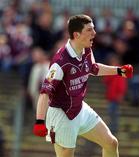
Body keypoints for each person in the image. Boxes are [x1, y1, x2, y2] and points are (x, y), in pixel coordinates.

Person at [33, 14, 133, 157]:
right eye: (89, 30)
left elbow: (93, 68)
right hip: (62, 115)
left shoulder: (86, 50)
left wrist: (118, 71)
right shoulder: (61, 62)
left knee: (111, 143)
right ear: (76, 34)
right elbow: (45, 92)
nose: (94, 33)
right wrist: (39, 121)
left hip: (79, 108)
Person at [103, 53, 128, 134]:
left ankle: (114, 129)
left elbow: (122, 83)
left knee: (114, 113)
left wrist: (121, 94)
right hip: (111, 96)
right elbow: (106, 81)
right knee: (111, 113)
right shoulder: (110, 70)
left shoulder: (120, 70)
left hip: (116, 96)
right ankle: (112, 129)